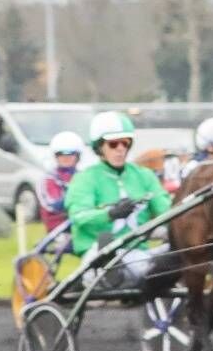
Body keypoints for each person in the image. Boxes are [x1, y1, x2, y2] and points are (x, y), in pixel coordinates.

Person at [62, 110, 172, 283]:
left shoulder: (144, 176)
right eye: (113, 144)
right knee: (109, 247)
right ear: (100, 147)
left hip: (138, 252)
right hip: (98, 250)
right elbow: (79, 217)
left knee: (180, 248)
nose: (120, 149)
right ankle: (111, 272)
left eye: (125, 144)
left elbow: (166, 211)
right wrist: (111, 213)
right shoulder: (85, 179)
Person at [38, 131, 84, 233]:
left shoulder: (83, 176)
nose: (66, 158)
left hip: (83, 225)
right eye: (61, 154)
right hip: (59, 230)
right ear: (55, 156)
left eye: (70, 154)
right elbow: (54, 205)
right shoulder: (49, 179)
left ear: (78, 156)